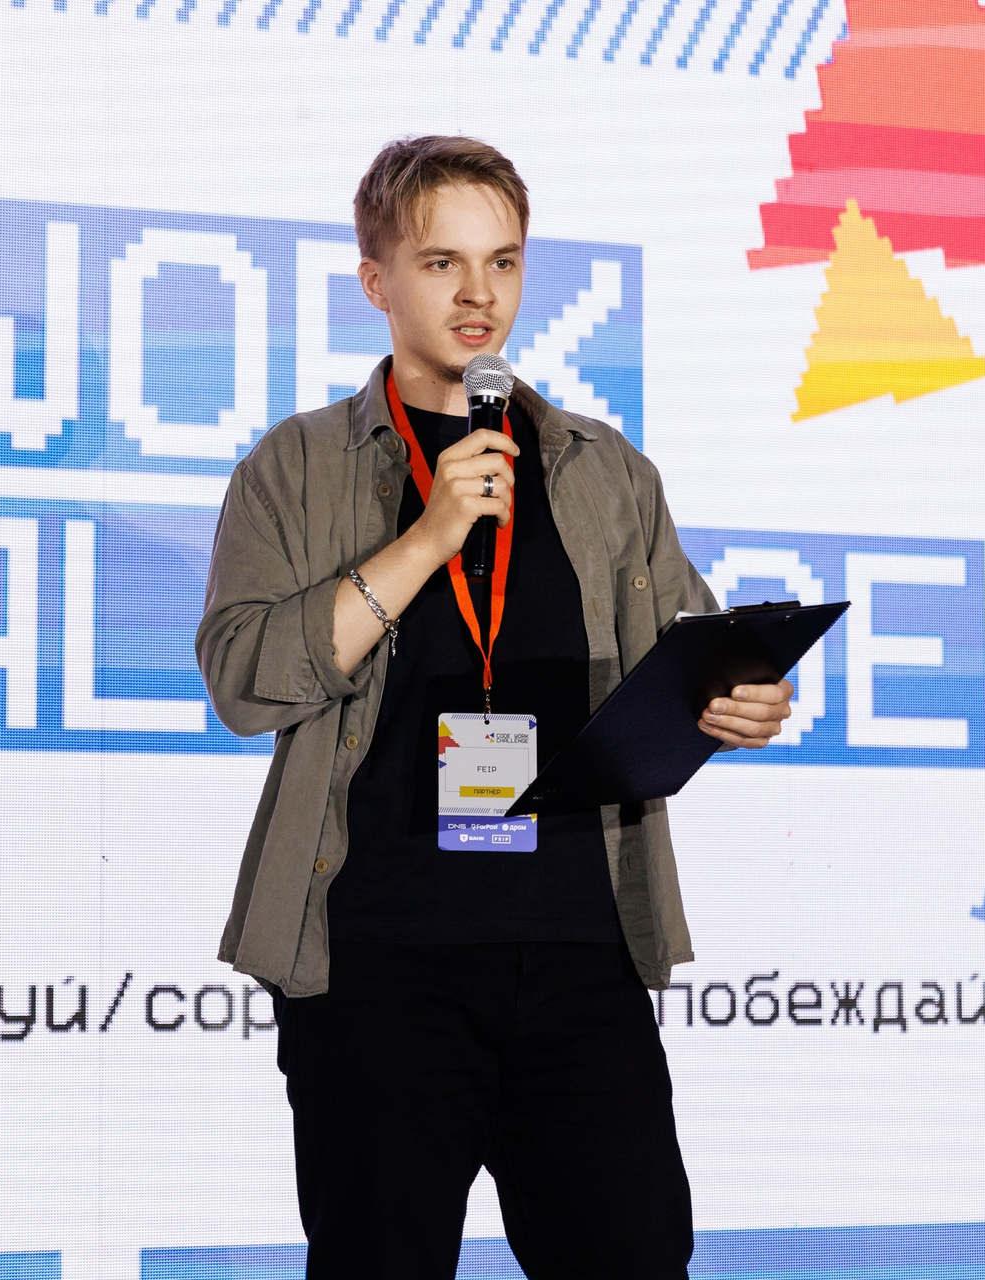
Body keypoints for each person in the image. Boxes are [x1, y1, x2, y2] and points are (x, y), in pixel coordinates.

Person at [195, 135, 794, 1278]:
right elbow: (242, 677)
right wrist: (427, 538)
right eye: (443, 264)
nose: (480, 295)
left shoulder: (604, 470)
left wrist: (737, 701)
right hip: (378, 961)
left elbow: (684, 658)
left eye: (504, 262)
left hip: (580, 951)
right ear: (376, 279)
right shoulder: (298, 465)